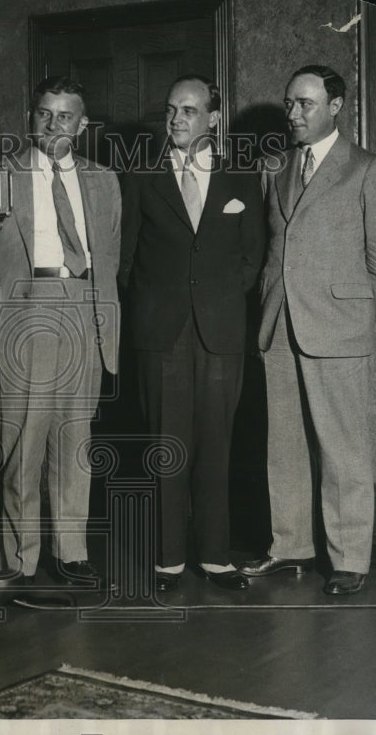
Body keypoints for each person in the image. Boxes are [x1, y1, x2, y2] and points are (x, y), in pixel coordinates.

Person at [238, 65, 376, 595]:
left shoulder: (367, 168)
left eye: (305, 104)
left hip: (337, 327)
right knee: (283, 445)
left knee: (342, 449)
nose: (293, 114)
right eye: (289, 103)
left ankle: (349, 559)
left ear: (335, 107)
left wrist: (356, 309)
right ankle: (290, 546)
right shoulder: (279, 167)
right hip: (280, 323)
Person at [0, 76, 121, 588]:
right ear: (30, 118)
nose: (53, 125)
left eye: (65, 116)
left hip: (82, 306)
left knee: (75, 435)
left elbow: (112, 254)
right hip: (23, 308)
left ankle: (71, 550)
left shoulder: (104, 179)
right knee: (22, 437)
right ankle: (19, 554)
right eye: (44, 114)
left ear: (82, 125)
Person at [119, 75, 265, 593]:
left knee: (216, 445)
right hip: (162, 333)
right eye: (171, 110)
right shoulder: (142, 175)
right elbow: (127, 260)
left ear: (213, 119)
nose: (177, 119)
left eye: (188, 110)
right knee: (166, 445)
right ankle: (168, 558)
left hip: (221, 330)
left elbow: (253, 257)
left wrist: (216, 299)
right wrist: (159, 305)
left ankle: (214, 555)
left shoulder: (241, 177)